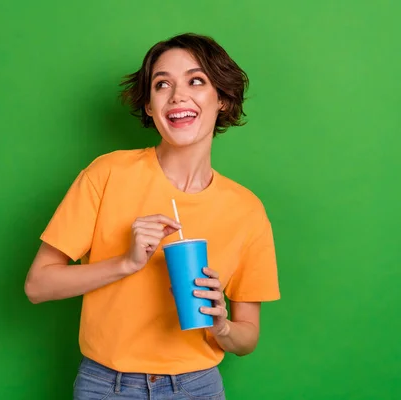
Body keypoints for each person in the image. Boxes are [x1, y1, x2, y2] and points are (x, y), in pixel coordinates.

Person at [24, 32, 280, 399]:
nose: (178, 95)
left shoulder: (246, 210)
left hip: (197, 386)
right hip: (106, 385)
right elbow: (37, 286)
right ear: (149, 106)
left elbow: (247, 337)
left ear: (221, 98)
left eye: (196, 81)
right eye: (163, 85)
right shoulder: (107, 174)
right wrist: (125, 264)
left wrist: (222, 326)